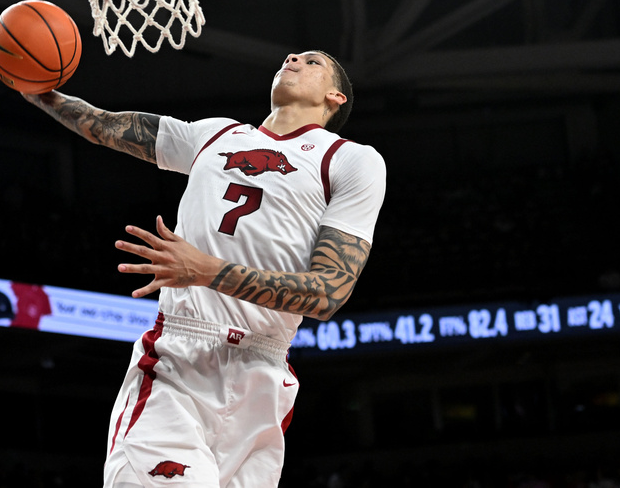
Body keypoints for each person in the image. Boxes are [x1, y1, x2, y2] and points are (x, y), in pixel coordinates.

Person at [20, 51, 386, 488]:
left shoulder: (351, 160)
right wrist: (36, 89)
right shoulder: (217, 134)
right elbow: (104, 125)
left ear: (335, 96)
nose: (293, 58)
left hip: (264, 376)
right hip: (181, 357)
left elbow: (328, 293)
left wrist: (207, 270)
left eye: (311, 61)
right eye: (292, 55)